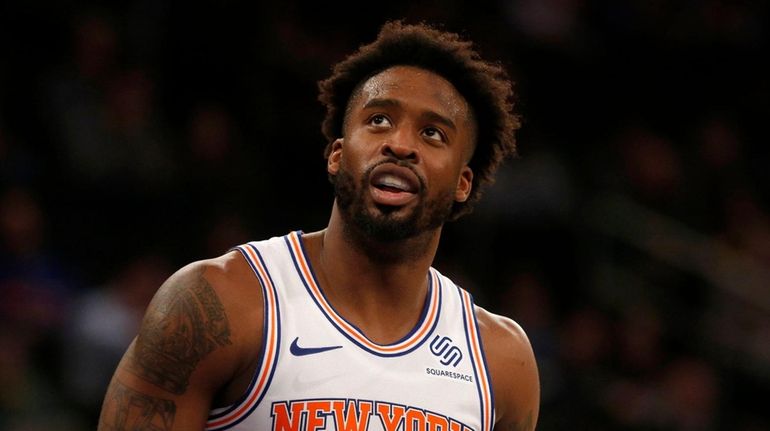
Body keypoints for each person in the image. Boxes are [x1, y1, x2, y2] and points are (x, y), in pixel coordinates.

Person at [98, 21, 540, 431]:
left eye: (433, 134)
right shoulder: (221, 302)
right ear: (337, 154)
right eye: (379, 120)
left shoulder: (501, 362)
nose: (400, 144)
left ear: (463, 183)